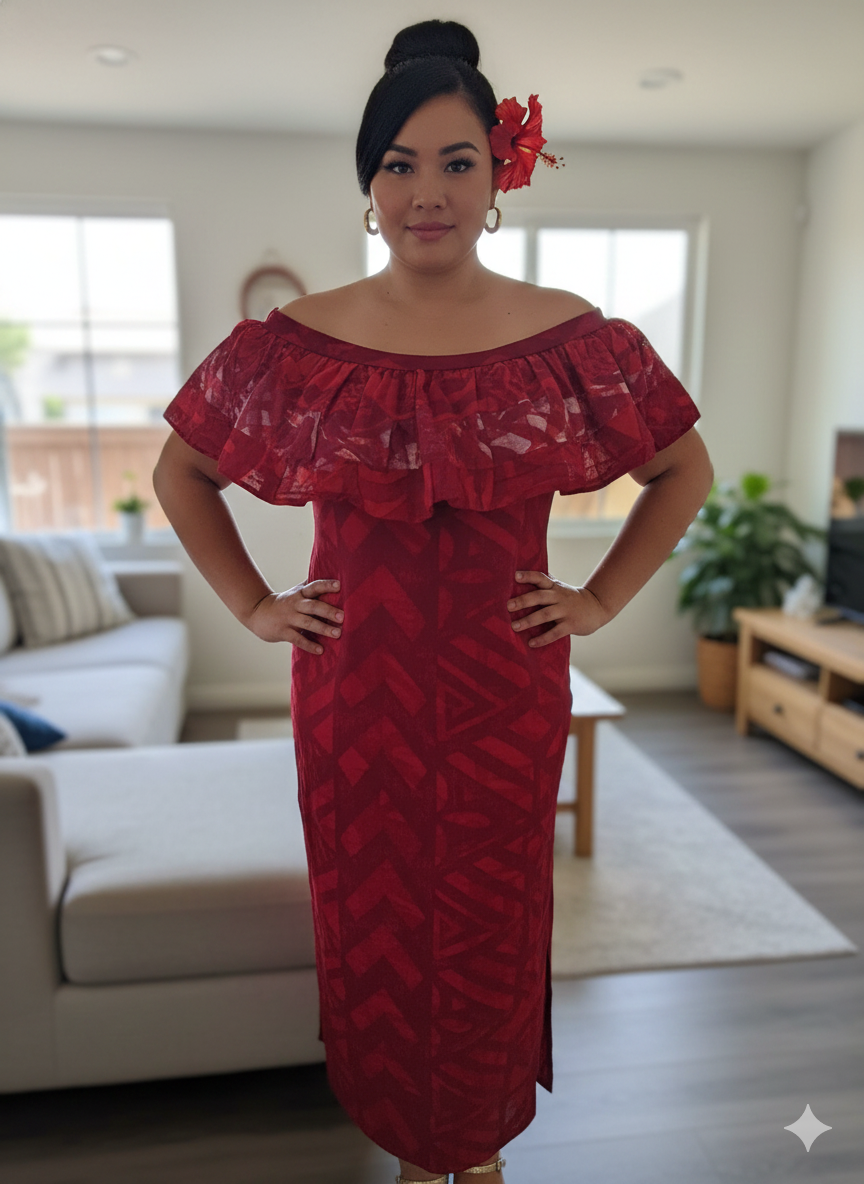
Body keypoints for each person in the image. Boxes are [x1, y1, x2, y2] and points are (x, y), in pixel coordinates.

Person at [153, 18, 714, 1184]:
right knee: (374, 924)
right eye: (400, 163)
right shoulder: (296, 344)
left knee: (490, 927)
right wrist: (256, 606)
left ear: (499, 173)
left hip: (505, 692)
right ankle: (412, 1146)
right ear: (368, 181)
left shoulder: (571, 337)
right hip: (354, 699)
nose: (428, 192)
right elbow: (181, 472)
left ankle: (480, 1140)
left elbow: (683, 468)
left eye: (458, 161)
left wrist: (598, 600)